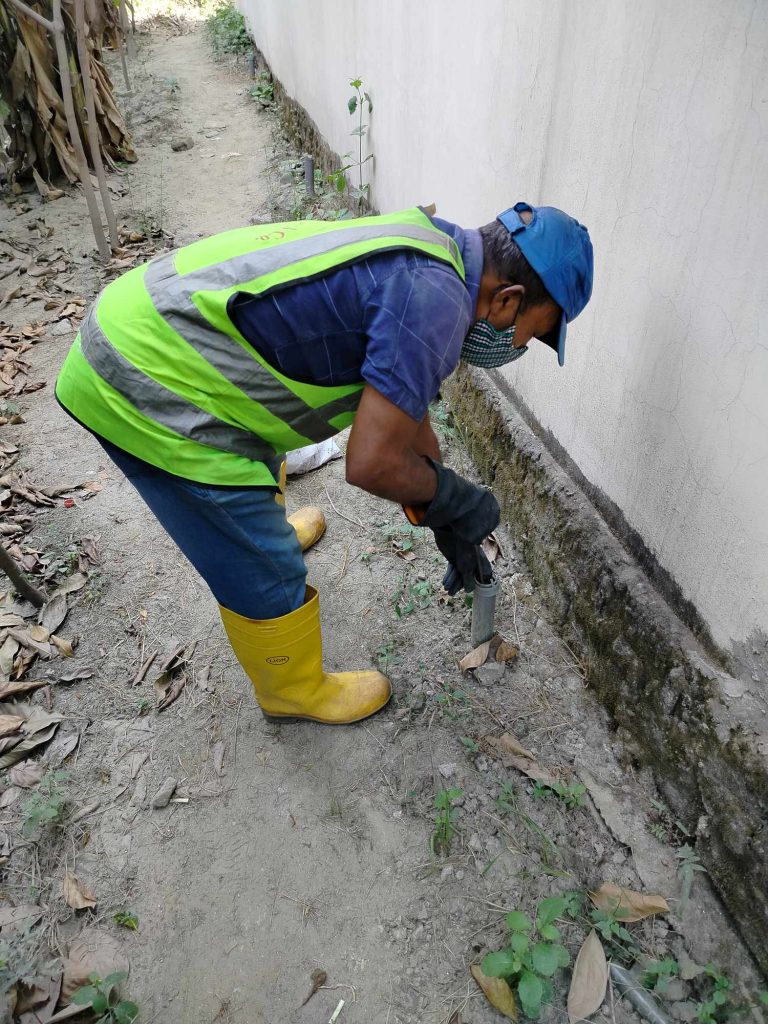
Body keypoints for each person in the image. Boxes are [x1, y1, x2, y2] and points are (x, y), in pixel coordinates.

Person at [55, 201, 593, 725]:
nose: (520, 346)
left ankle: (265, 535)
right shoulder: (437, 304)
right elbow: (371, 462)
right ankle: (292, 691)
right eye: (535, 333)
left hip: (147, 322)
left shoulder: (434, 248)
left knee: (260, 458)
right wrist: (450, 497)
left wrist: (439, 504)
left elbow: (404, 421)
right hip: (141, 375)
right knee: (262, 562)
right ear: (508, 300)